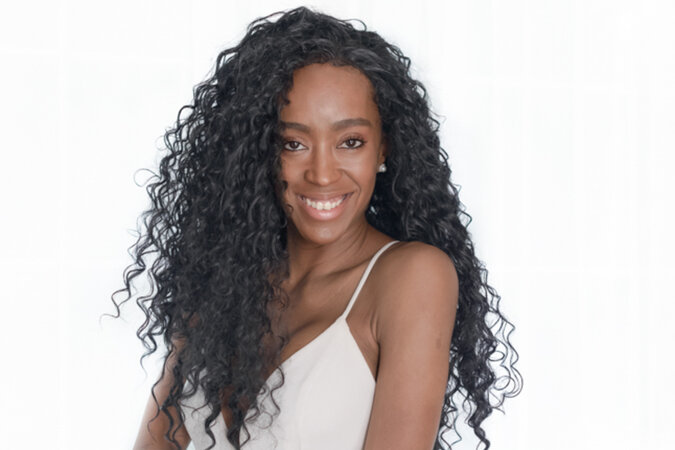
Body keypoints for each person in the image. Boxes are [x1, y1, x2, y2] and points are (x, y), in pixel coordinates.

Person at [111, 6, 522, 450]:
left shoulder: (411, 276)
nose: (323, 174)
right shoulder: (223, 282)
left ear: (384, 148)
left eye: (350, 142)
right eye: (293, 144)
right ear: (257, 153)